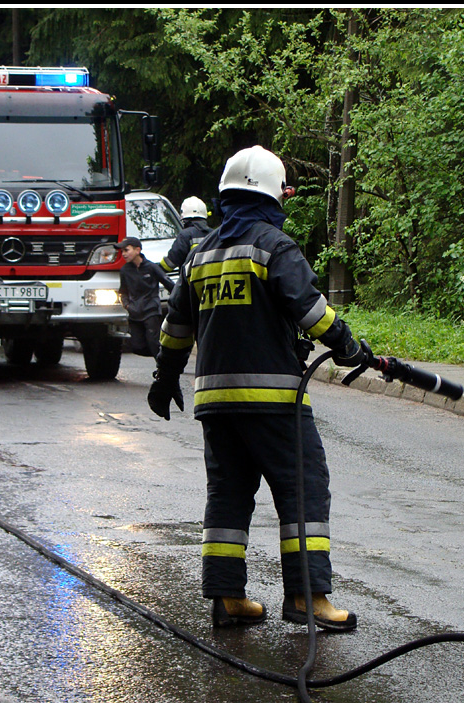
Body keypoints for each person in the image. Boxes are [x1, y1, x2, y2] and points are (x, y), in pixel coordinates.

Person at [148, 146, 364, 630]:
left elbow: (176, 326)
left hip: (216, 404)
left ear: (224, 196)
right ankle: (308, 597)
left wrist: (164, 379)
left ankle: (227, 598)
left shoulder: (202, 254)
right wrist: (348, 344)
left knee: (227, 496)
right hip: (273, 402)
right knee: (303, 490)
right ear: (275, 195)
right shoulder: (273, 246)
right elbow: (311, 310)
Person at [116, 237, 175, 359]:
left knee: (154, 342)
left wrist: (178, 299)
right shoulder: (125, 271)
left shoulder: (151, 267)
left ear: (137, 250)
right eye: (122, 251)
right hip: (134, 313)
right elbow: (123, 292)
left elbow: (168, 282)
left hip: (151, 310)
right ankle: (166, 355)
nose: (124, 254)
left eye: (126, 250)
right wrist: (127, 305)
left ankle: (163, 366)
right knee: (137, 346)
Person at [159, 197, 212, 273]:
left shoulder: (185, 235)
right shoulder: (214, 233)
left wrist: (156, 270)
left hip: (191, 282)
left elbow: (170, 263)